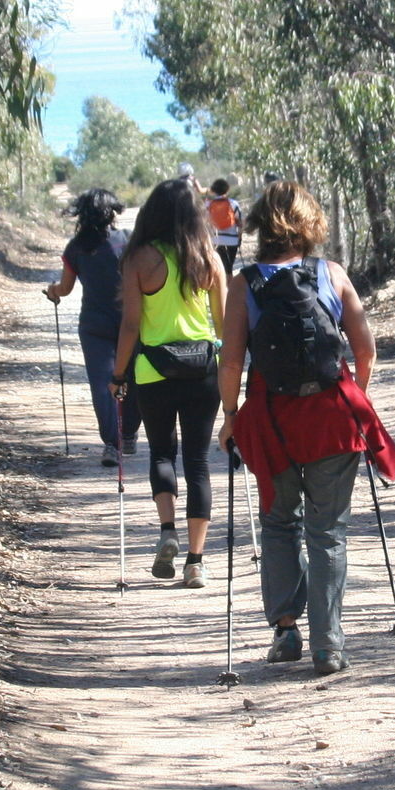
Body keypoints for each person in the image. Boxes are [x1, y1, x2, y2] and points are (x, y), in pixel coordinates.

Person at [219, 181, 395, 676]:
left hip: (272, 421)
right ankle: (329, 645)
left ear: (260, 225)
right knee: (328, 531)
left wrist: (231, 417)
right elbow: (365, 351)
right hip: (331, 423)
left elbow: (231, 361)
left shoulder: (245, 284)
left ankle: (286, 629)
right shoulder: (331, 274)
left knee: (279, 523)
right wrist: (353, 394)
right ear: (309, 224)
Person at [113, 178, 226, 588]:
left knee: (161, 453)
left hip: (153, 370)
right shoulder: (208, 259)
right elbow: (226, 323)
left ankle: (167, 532)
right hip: (203, 371)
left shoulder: (139, 259)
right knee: (198, 462)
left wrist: (118, 374)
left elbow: (130, 324)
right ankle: (196, 561)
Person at [43, 189, 140, 467]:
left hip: (94, 325)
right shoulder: (128, 241)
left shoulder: (76, 247)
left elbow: (65, 288)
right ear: (111, 213)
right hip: (130, 323)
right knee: (132, 377)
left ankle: (112, 443)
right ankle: (129, 431)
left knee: (102, 384)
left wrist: (53, 292)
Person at [206, 178, 243, 275]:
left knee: (218, 269)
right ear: (227, 189)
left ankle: (221, 288)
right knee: (229, 268)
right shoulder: (233, 204)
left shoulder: (209, 204)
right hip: (232, 241)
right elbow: (241, 223)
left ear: (213, 190)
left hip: (215, 241)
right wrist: (239, 238)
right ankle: (229, 289)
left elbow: (205, 223)